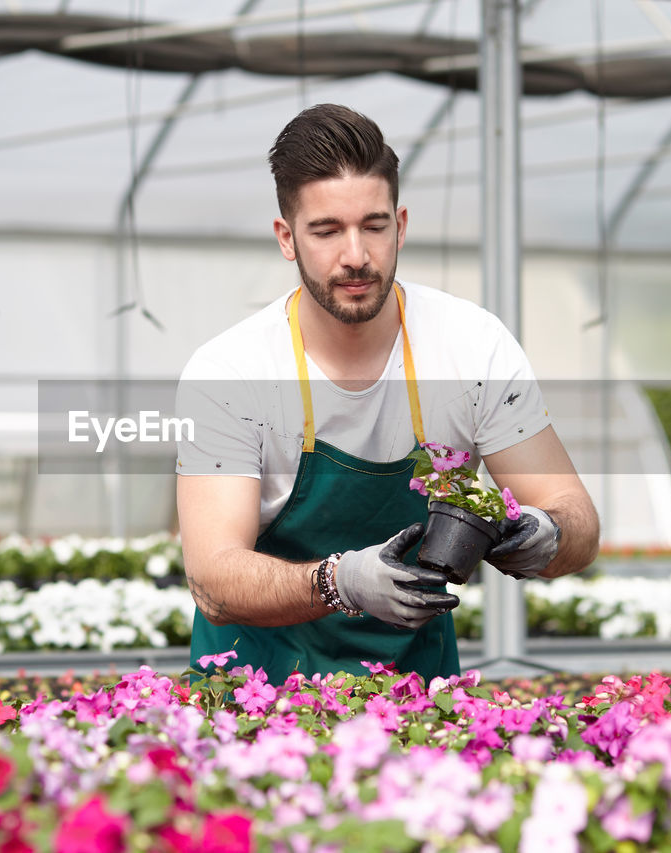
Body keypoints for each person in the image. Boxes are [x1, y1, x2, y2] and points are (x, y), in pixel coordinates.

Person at [174, 103, 599, 685]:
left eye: (373, 226)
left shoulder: (471, 346)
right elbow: (214, 579)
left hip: (415, 699)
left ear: (400, 225)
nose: (355, 255)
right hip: (253, 698)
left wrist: (547, 536)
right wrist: (339, 581)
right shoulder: (231, 370)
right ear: (287, 238)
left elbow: (578, 519)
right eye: (326, 231)